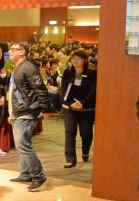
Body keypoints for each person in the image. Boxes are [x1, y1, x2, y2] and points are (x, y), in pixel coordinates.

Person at [7, 41, 51, 192]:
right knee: (21, 146)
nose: (11, 52)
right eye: (10, 49)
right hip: (19, 112)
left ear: (23, 52)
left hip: (26, 112)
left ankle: (38, 176)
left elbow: (40, 89)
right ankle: (26, 173)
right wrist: (11, 113)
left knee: (24, 145)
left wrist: (44, 109)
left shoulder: (28, 67)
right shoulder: (18, 68)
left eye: (14, 49)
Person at [60, 49, 97, 167]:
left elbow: (93, 91)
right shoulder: (67, 72)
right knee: (70, 132)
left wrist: (83, 103)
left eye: (78, 58)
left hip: (86, 109)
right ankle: (70, 159)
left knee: (86, 133)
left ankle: (85, 151)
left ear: (85, 60)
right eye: (73, 58)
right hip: (69, 108)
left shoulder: (92, 73)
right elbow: (64, 90)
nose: (75, 60)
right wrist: (70, 103)